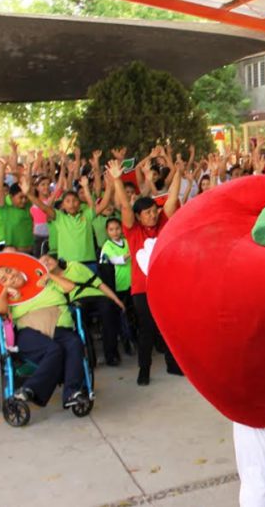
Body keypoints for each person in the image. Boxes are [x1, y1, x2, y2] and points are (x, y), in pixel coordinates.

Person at [108, 159, 183, 386]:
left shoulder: (162, 221)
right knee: (147, 329)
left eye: (153, 211)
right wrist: (117, 179)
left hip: (165, 285)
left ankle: (173, 364)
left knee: (169, 326)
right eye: (147, 213)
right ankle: (144, 370)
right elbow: (123, 207)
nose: (152, 215)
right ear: (138, 216)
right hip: (142, 289)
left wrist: (178, 170)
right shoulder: (132, 230)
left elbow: (172, 197)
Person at [0, 262, 87, 410]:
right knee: (55, 349)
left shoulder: (45, 282)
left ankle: (71, 393)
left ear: (17, 267)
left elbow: (70, 287)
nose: (10, 276)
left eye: (9, 271)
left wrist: (49, 276)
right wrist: (5, 290)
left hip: (60, 327)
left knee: (74, 343)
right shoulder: (9, 296)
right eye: (4, 279)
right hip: (29, 333)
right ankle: (31, 390)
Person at [40, 253, 126, 366]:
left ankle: (111, 355)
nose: (47, 263)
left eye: (48, 259)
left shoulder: (74, 266)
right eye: (43, 263)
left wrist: (116, 299)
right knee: (79, 318)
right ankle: (90, 357)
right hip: (77, 301)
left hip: (96, 295)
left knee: (108, 309)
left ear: (55, 259)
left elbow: (99, 284)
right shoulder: (49, 283)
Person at [101, 217, 135, 355]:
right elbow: (115, 260)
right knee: (122, 314)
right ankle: (126, 339)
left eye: (117, 228)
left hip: (132, 282)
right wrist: (129, 254)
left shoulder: (127, 242)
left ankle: (134, 336)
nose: (115, 232)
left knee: (133, 313)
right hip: (118, 284)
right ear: (107, 231)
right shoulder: (107, 246)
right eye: (111, 229)